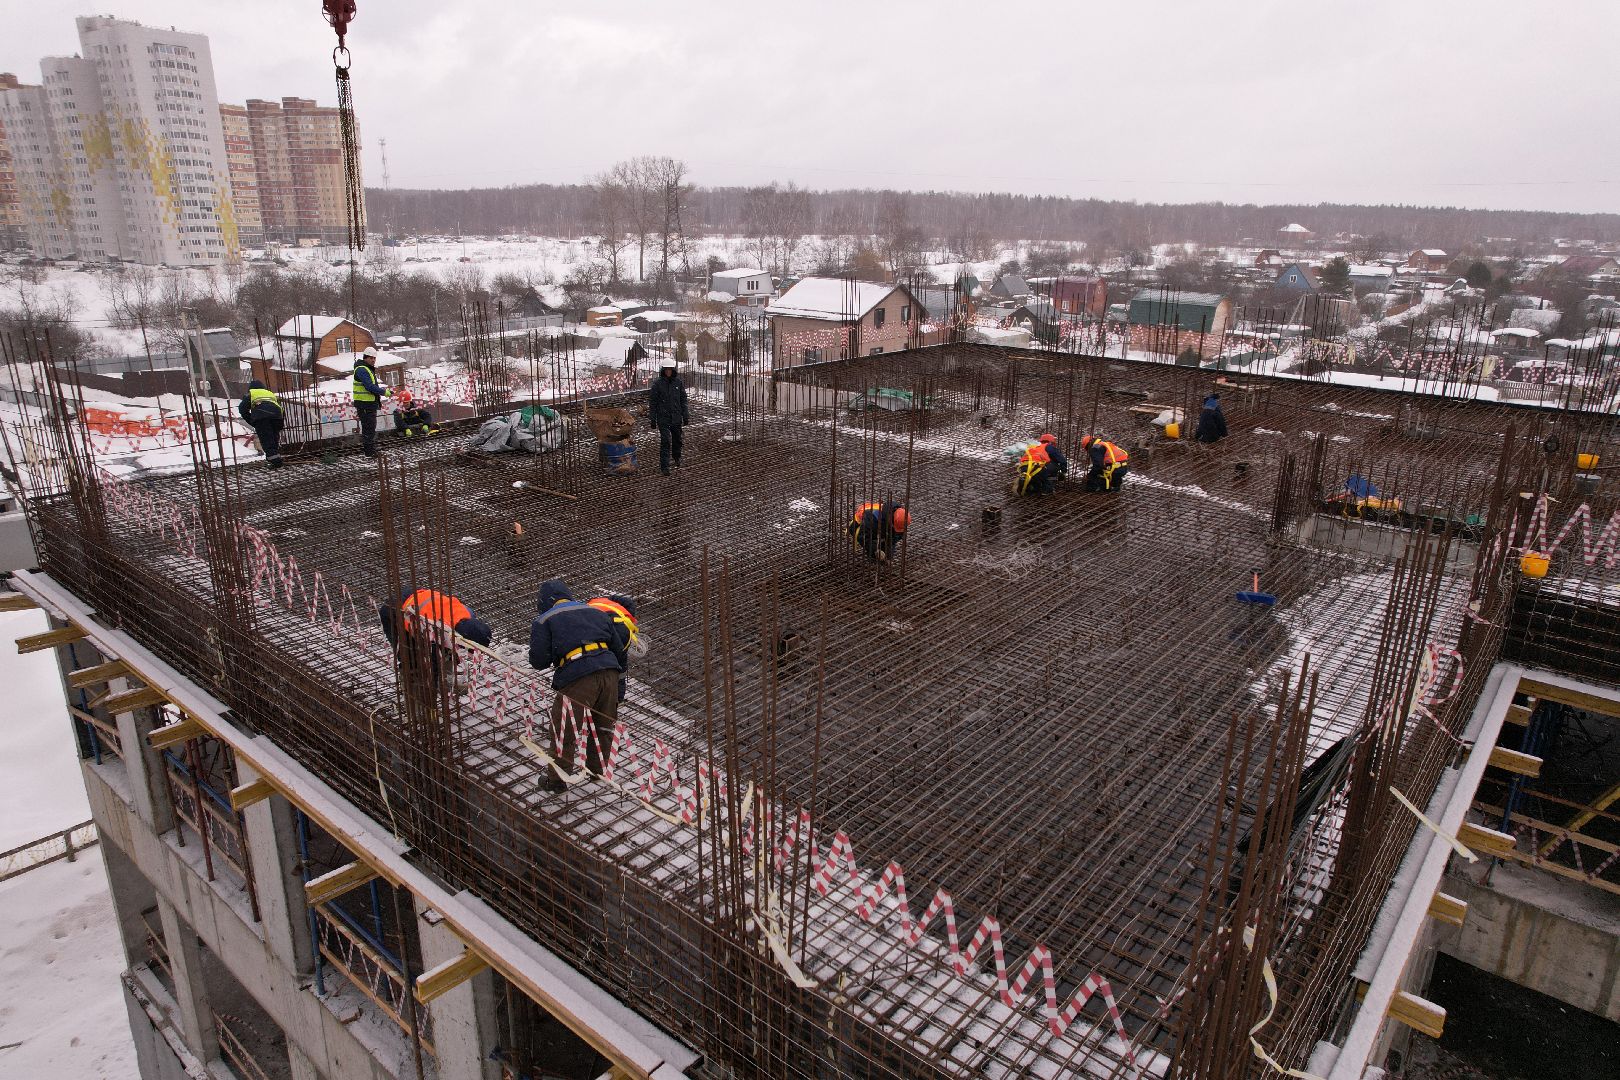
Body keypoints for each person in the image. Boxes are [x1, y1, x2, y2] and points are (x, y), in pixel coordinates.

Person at [528, 579, 631, 786]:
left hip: (579, 674)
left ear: (544, 602)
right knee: (602, 727)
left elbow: (538, 661)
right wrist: (619, 691)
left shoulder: (545, 619)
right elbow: (620, 653)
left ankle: (557, 780)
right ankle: (597, 772)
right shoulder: (596, 612)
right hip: (609, 671)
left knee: (564, 729)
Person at [378, 587, 492, 690]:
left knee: (446, 648)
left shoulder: (468, 614)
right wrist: (434, 685)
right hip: (394, 610)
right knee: (410, 654)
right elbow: (433, 658)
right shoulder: (436, 628)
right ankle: (412, 689)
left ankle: (446, 682)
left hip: (419, 596)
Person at [647, 360, 690, 475]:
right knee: (665, 441)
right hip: (663, 418)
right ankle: (664, 466)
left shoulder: (678, 383)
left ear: (673, 370)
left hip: (676, 417)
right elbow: (653, 402)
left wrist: (685, 415)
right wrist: (653, 418)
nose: (668, 372)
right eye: (666, 370)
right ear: (663, 370)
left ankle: (677, 457)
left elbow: (683, 400)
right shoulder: (657, 384)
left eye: (670, 369)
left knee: (677, 440)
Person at [237, 378, 284, 468]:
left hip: (262, 418)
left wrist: (252, 421)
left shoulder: (252, 394)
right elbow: (280, 408)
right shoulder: (270, 394)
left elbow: (242, 409)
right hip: (277, 416)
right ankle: (276, 457)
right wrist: (280, 423)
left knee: (267, 439)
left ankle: (275, 462)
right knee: (274, 438)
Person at [353, 346, 389, 457]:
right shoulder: (362, 370)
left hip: (368, 404)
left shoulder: (366, 368)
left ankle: (370, 448)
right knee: (368, 428)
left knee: (370, 427)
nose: (373, 360)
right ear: (365, 358)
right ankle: (369, 452)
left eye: (374, 358)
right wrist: (383, 392)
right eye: (371, 358)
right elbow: (369, 386)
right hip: (364, 405)